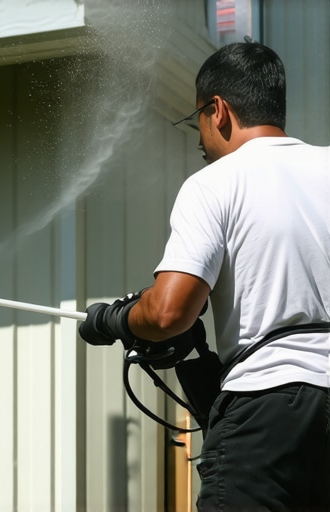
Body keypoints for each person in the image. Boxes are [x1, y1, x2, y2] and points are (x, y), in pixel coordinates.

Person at [79, 41, 330, 511]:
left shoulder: (216, 181)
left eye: (195, 120)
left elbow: (170, 311)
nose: (199, 140)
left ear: (217, 110)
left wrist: (116, 319)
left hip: (266, 411)